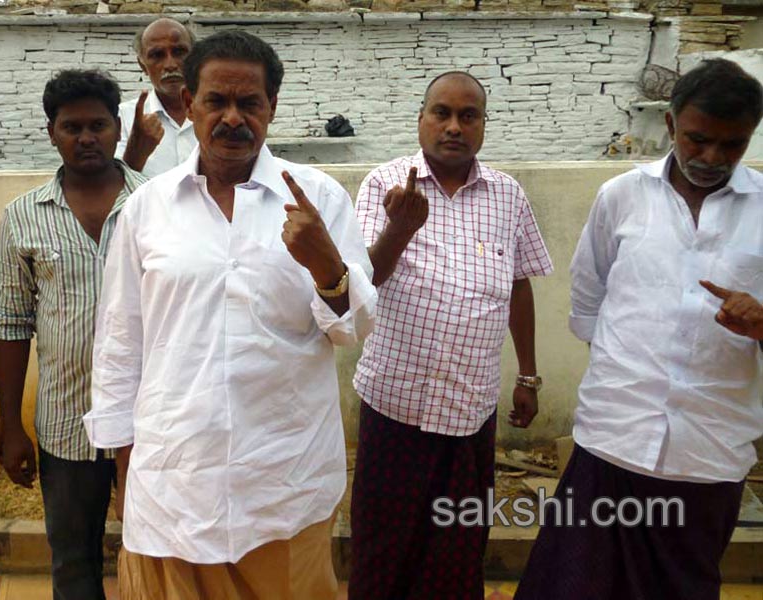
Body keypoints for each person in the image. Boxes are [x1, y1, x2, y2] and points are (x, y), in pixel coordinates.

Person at [83, 30, 377, 600]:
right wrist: (126, 476)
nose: (233, 118)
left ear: (272, 107)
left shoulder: (318, 199)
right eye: (217, 101)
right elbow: (121, 342)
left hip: (283, 484)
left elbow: (353, 329)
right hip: (173, 479)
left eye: (251, 103)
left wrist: (327, 268)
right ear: (189, 104)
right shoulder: (148, 207)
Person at [515, 58, 763, 600]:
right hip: (613, 441)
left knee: (681, 587)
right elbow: (589, 297)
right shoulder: (620, 197)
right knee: (575, 586)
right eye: (697, 139)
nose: (711, 158)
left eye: (732, 146)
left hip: (708, 453)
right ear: (671, 125)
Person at [348, 71, 553, 599]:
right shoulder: (386, 184)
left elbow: (519, 284)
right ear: (421, 118)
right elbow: (361, 283)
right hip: (398, 402)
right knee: (385, 545)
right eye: (442, 113)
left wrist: (527, 375)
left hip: (470, 407)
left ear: (484, 124)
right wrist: (400, 229)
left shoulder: (506, 194)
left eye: (469, 116)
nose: (454, 127)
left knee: (459, 543)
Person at [0, 69, 146, 600]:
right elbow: (10, 321)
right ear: (51, 132)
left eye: (97, 125)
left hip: (154, 422)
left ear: (118, 128)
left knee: (159, 555)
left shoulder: (160, 203)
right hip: (65, 423)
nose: (86, 137)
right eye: (71, 126)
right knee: (73, 561)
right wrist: (10, 422)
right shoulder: (23, 215)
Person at [115, 18, 197, 177]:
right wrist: (135, 155)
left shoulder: (219, 115)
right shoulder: (123, 118)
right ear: (142, 66)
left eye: (179, 52)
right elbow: (113, 191)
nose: (170, 64)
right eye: (157, 55)